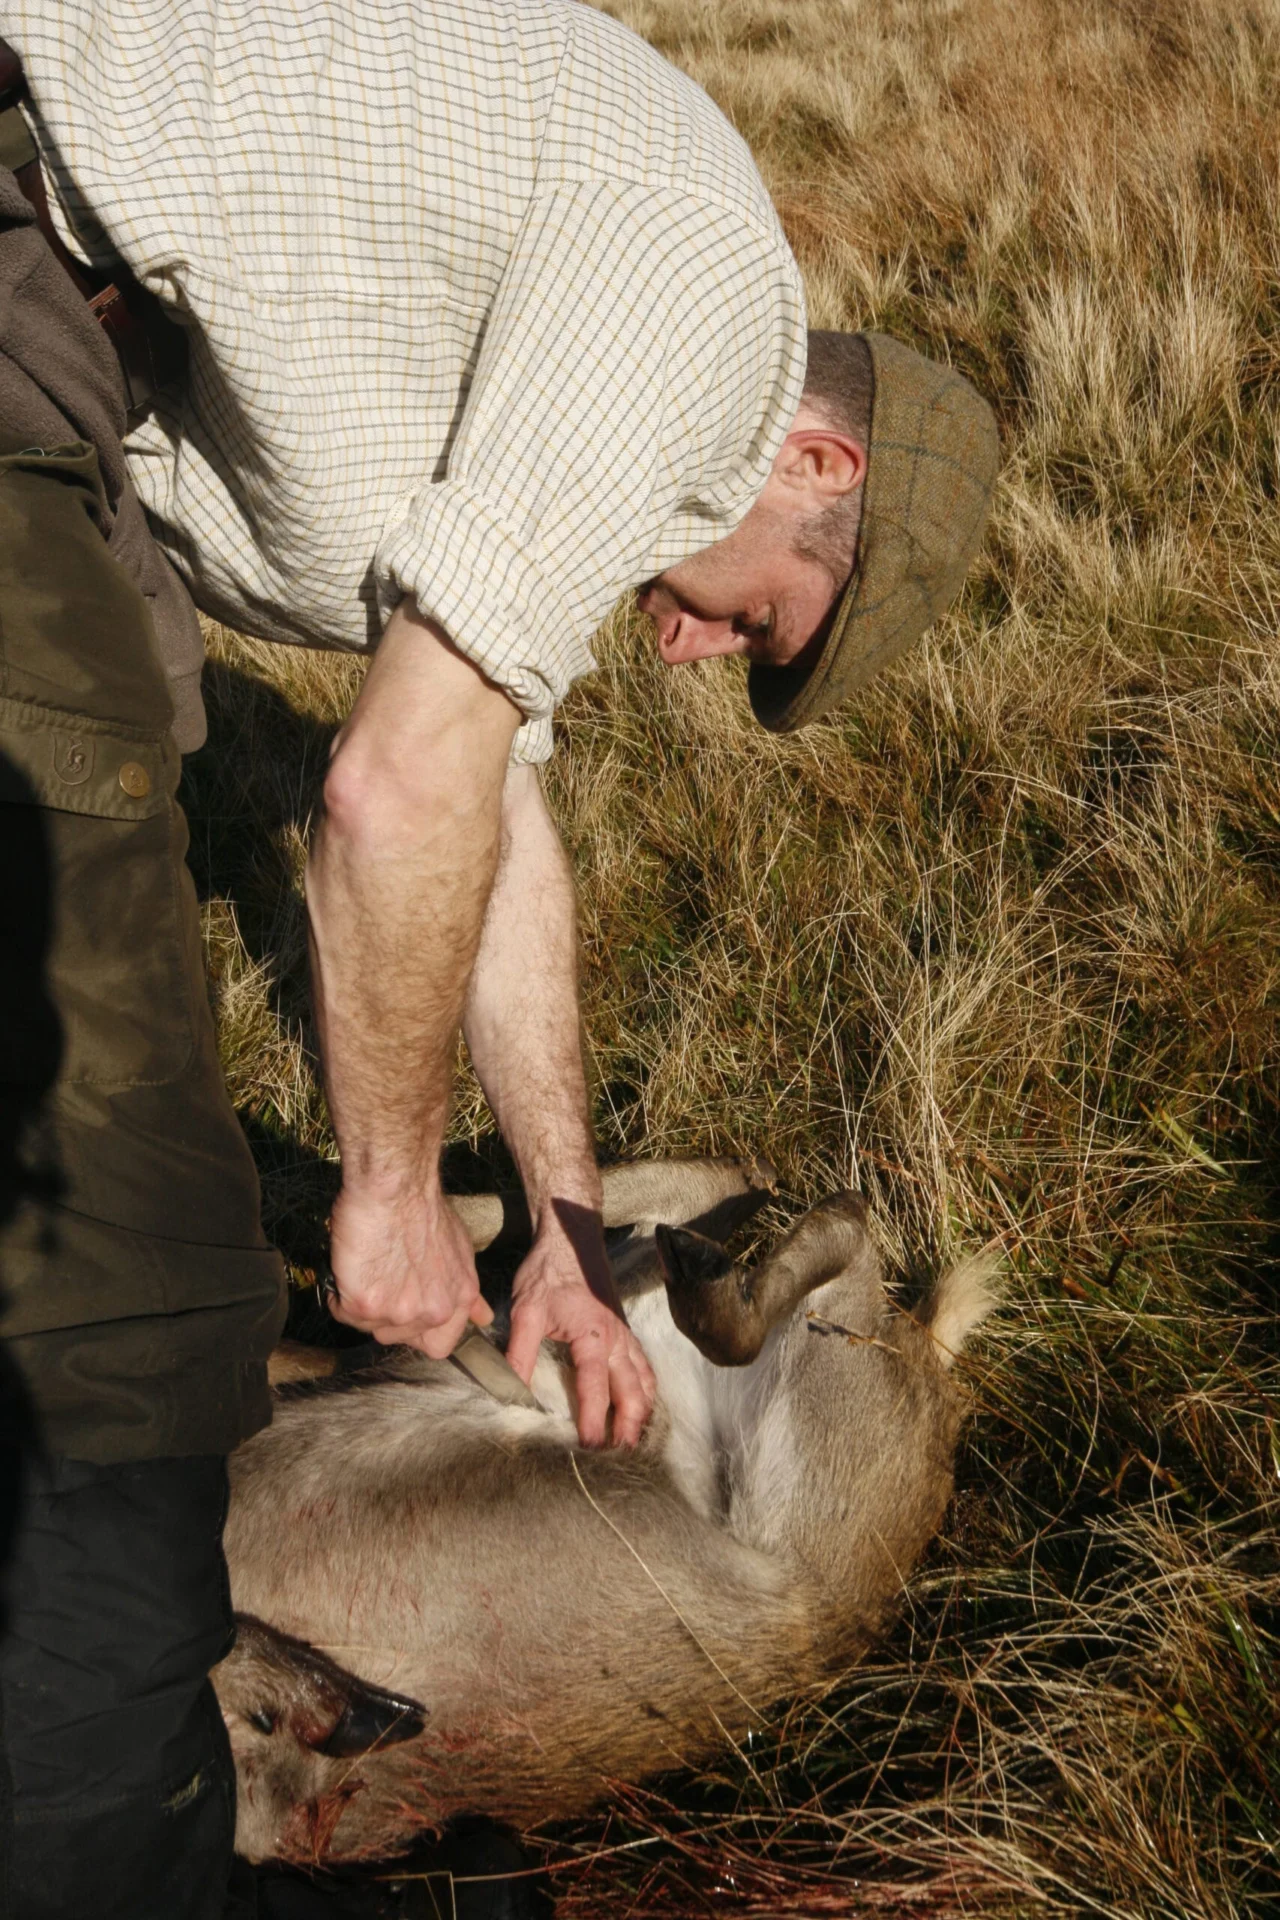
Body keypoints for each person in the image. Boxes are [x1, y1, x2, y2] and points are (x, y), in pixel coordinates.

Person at [0, 3, 998, 1916]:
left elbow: (497, 819)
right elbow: (392, 795)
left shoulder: (604, 393)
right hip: (30, 305)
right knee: (132, 1287)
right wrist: (388, 1193)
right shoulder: (704, 314)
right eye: (768, 624)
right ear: (809, 454)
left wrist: (558, 1217)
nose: (701, 655)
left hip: (73, 388)